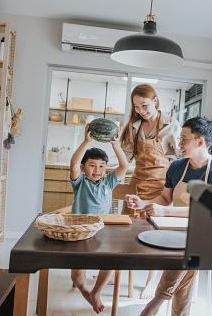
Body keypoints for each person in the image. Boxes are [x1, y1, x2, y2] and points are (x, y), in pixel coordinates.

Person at [126, 117, 212, 316]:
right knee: (186, 267)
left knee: (187, 251)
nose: (178, 143)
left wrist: (166, 211)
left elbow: (209, 211)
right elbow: (165, 198)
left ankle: (154, 304)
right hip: (178, 232)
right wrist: (143, 203)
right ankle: (172, 311)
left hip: (206, 234)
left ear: (200, 142)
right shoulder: (177, 167)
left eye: (184, 139)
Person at [119, 83, 182, 298]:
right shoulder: (134, 126)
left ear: (155, 100)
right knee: (126, 227)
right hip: (138, 180)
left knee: (155, 233)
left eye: (144, 105)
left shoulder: (171, 125)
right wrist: (117, 142)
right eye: (136, 107)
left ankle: (150, 281)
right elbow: (126, 158)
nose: (140, 110)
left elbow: (181, 158)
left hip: (161, 184)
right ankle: (113, 270)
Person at [69, 124, 128, 314]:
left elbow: (124, 166)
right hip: (81, 232)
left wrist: (116, 145)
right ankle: (87, 292)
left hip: (104, 231)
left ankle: (96, 292)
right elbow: (73, 163)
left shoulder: (109, 182)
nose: (97, 170)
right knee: (77, 275)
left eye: (102, 166)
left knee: (111, 262)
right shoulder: (80, 182)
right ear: (83, 168)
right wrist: (86, 141)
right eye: (92, 165)